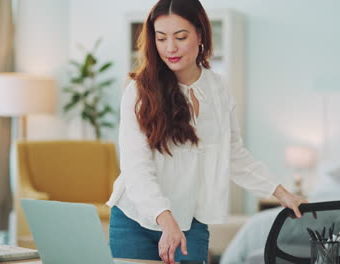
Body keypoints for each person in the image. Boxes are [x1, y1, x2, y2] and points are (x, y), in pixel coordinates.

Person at [106, 0, 309, 263]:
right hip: (135, 222)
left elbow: (234, 154)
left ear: (200, 34)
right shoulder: (139, 91)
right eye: (161, 38)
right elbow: (136, 168)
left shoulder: (219, 89)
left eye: (180, 37)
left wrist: (281, 193)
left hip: (191, 221)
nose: (170, 48)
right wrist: (165, 219)